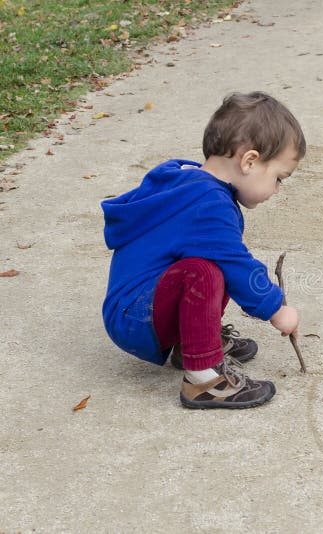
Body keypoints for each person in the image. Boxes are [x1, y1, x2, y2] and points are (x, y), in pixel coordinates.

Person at [102, 91, 304, 409]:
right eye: (279, 178)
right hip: (137, 318)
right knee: (205, 271)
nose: (277, 189)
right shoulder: (208, 205)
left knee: (209, 260)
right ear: (249, 161)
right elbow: (237, 266)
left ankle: (193, 344)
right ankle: (205, 379)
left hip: (135, 308)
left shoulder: (188, 181)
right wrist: (276, 309)